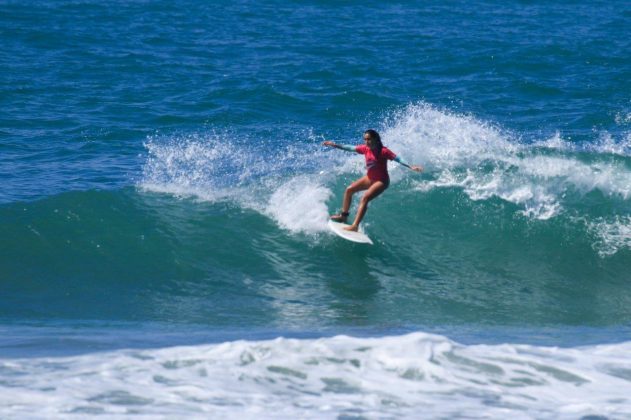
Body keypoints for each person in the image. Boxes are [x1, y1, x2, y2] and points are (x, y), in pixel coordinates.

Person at [323, 129, 423, 232]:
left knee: (365, 198)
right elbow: (350, 148)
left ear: (375, 139)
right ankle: (343, 216)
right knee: (349, 190)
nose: (366, 142)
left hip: (381, 181)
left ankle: (355, 226)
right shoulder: (365, 149)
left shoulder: (384, 151)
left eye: (369, 139)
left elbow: (398, 158)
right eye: (365, 139)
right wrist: (334, 145)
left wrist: (410, 166)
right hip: (369, 178)